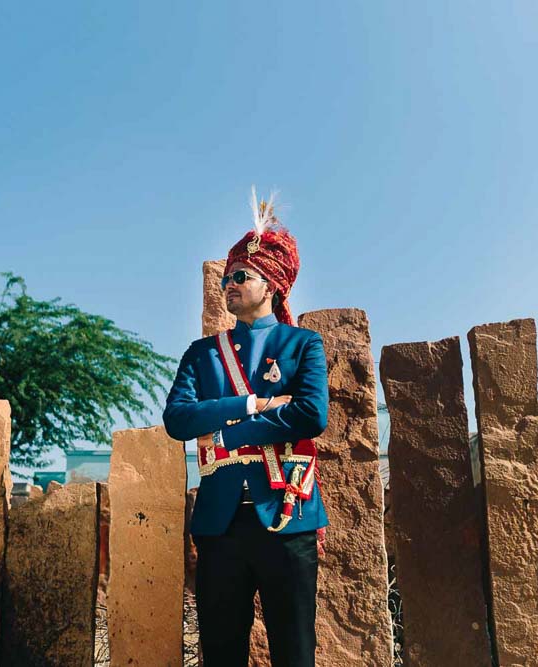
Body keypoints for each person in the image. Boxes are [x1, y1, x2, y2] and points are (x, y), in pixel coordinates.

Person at [163, 190, 329, 667]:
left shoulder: (302, 345)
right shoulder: (202, 353)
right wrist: (252, 403)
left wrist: (230, 433)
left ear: (271, 285)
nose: (229, 283)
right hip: (220, 521)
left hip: (287, 515)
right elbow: (178, 418)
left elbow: (310, 415)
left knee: (295, 651)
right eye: (226, 277)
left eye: (241, 276)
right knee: (220, 653)